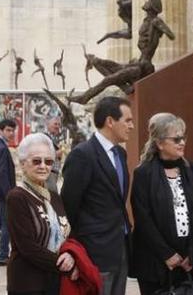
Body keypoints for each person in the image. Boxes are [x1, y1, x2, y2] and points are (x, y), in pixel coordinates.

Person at [130, 113, 193, 295]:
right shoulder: (144, 174)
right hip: (155, 260)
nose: (182, 142)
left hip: (188, 261)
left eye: (183, 137)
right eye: (176, 139)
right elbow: (143, 218)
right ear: (159, 143)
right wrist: (167, 254)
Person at [61, 96, 134, 295]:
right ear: (110, 121)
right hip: (95, 251)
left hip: (120, 249)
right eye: (127, 120)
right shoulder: (82, 155)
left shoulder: (121, 154)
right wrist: (76, 250)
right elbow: (69, 205)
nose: (132, 126)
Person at [7, 133, 78, 295]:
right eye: (36, 161)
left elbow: (69, 231)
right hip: (28, 284)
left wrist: (71, 255)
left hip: (56, 283)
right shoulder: (17, 197)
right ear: (23, 164)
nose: (43, 166)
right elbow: (28, 247)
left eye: (48, 161)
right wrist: (65, 266)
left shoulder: (54, 197)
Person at [0, 118, 18, 265]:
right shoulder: (0, 148)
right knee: (6, 224)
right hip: (3, 194)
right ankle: (2, 256)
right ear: (0, 131)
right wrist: (9, 194)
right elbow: (1, 174)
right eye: (8, 130)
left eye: (13, 130)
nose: (11, 133)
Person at [41, 115, 64, 193]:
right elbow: (41, 154)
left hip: (54, 173)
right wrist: (55, 154)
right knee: (53, 197)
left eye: (59, 124)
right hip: (48, 173)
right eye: (55, 124)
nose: (58, 126)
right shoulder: (43, 137)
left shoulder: (55, 138)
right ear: (48, 124)